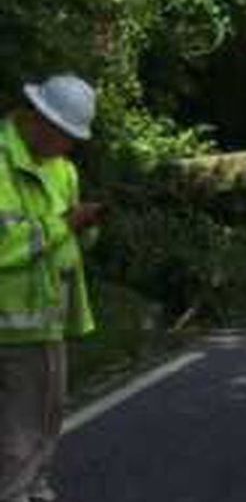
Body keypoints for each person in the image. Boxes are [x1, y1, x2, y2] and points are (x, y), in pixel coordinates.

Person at [0, 75, 101, 502]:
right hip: (14, 327)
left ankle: (34, 489)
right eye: (67, 136)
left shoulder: (63, 169)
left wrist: (86, 227)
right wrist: (65, 225)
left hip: (44, 324)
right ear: (40, 120)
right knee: (22, 435)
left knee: (43, 422)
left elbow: (74, 246)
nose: (70, 147)